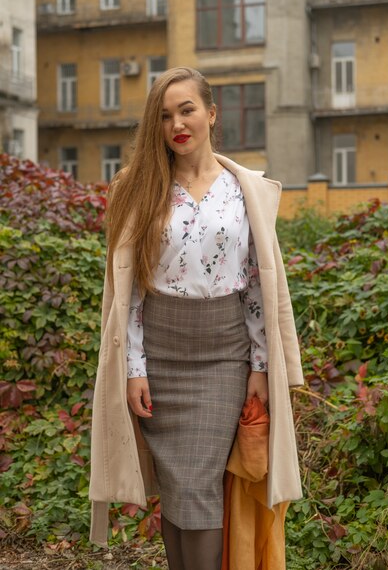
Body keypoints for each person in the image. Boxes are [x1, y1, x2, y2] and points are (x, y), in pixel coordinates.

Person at [89, 67, 304, 570]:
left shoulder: (244, 189)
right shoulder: (139, 187)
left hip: (222, 359)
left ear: (211, 113)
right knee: (177, 486)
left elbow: (256, 284)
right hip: (159, 357)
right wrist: (134, 368)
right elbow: (131, 290)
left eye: (187, 110)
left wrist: (260, 365)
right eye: (164, 116)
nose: (177, 124)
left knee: (200, 482)